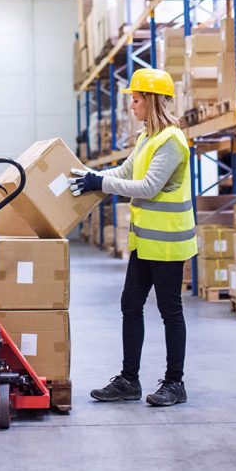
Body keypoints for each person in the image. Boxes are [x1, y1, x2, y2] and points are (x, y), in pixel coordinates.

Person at [71, 67, 196, 407]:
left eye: (137, 100)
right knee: (130, 305)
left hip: (169, 242)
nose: (132, 106)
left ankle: (175, 383)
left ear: (152, 101)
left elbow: (148, 187)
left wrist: (101, 184)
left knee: (170, 310)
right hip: (145, 240)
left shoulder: (171, 140)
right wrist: (90, 177)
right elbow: (125, 173)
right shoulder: (147, 137)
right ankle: (129, 380)